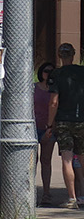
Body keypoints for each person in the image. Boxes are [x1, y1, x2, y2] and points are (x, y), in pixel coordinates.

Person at [48, 43, 84, 209]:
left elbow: (54, 102)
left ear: (59, 55)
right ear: (74, 54)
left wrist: (49, 125)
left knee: (67, 159)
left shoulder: (57, 74)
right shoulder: (82, 72)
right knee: (82, 157)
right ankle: (82, 195)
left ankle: (72, 198)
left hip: (63, 120)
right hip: (81, 119)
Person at [36, 61, 57, 205]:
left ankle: (47, 192)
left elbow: (56, 109)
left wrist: (50, 129)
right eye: (45, 71)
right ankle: (28, 191)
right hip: (32, 128)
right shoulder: (33, 88)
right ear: (41, 73)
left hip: (48, 129)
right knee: (31, 161)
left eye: (51, 71)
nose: (48, 73)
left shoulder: (55, 90)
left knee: (46, 160)